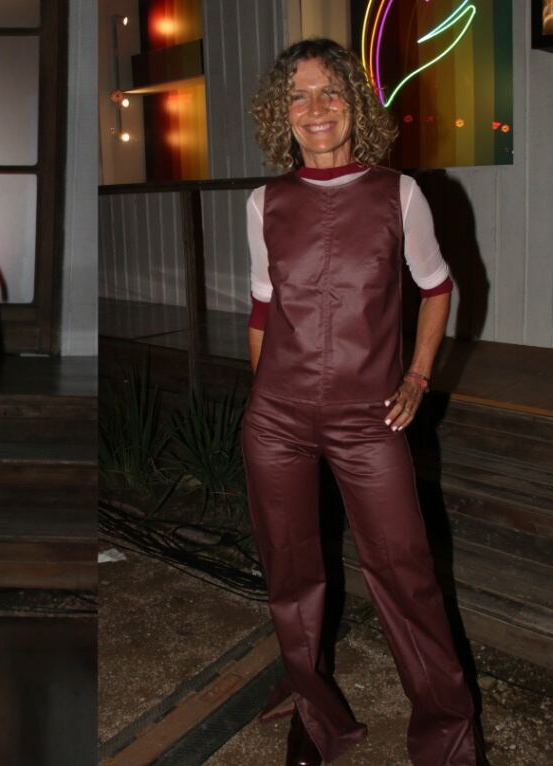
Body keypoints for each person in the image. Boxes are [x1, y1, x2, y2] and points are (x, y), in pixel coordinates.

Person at [243, 38, 480, 766]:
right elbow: (261, 310)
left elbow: (439, 288)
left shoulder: (397, 193)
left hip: (368, 416)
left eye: (330, 93)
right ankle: (316, 720)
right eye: (299, 97)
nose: (315, 110)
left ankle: (447, 740)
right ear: (282, 115)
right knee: (291, 577)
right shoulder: (264, 201)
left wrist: (416, 376)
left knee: (405, 575)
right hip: (277, 418)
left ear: (356, 104)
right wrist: (262, 401)